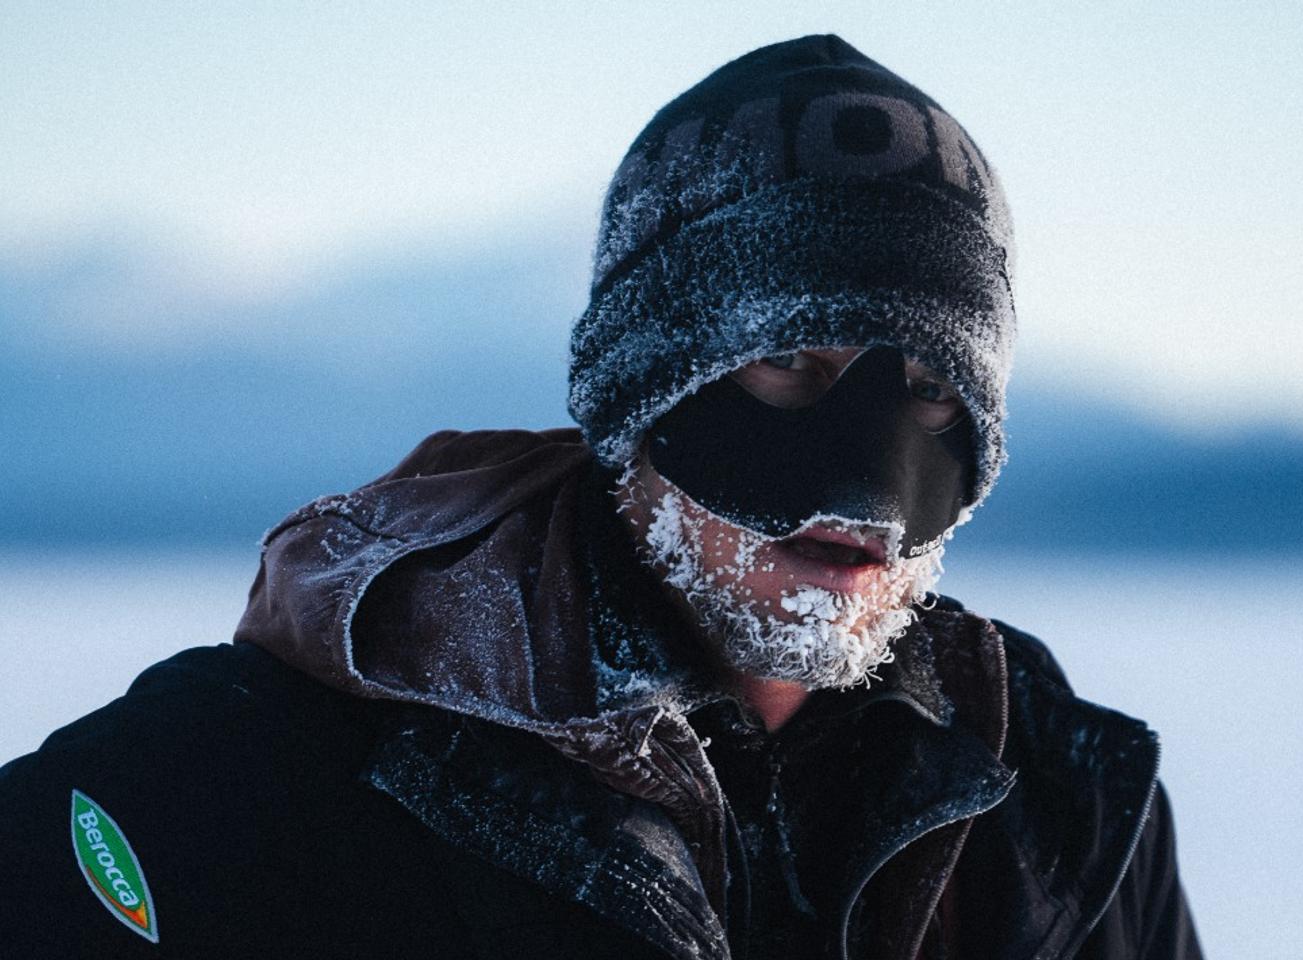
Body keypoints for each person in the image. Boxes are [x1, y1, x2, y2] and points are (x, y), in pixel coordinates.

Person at [0, 34, 1202, 959]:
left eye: (933, 388)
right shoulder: (276, 764)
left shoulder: (1059, 802)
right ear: (644, 389)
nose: (867, 491)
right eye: (791, 363)